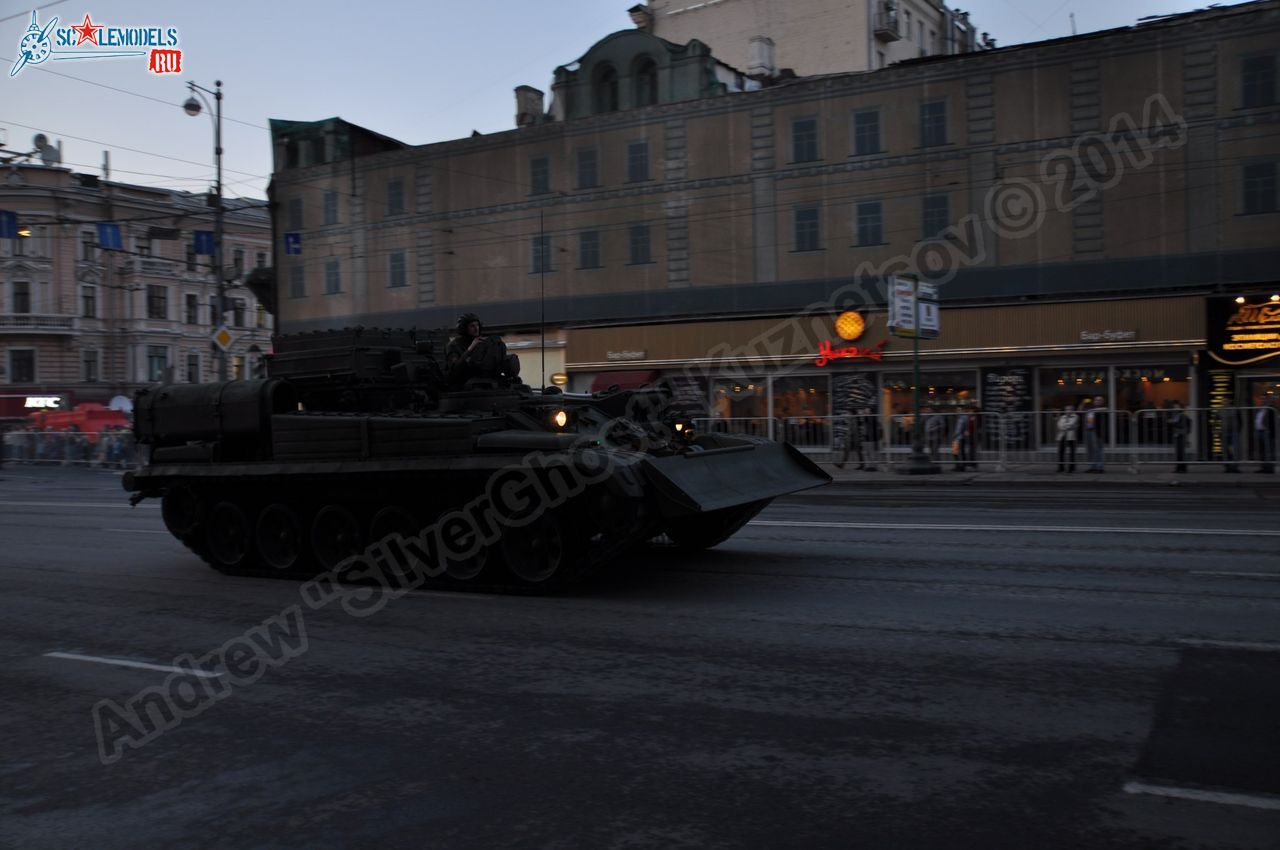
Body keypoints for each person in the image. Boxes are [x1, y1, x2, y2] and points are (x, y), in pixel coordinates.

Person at [445, 312, 520, 388]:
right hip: (463, 383)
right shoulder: (453, 345)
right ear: (464, 328)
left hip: (484, 379)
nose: (476, 328)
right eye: (472, 326)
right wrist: (470, 348)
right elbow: (454, 370)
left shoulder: (482, 343)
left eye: (477, 325)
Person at [1084, 395, 1106, 472]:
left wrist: (1093, 411)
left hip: (1098, 432)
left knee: (1098, 449)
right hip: (1090, 431)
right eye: (1096, 400)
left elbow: (1105, 409)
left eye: (1099, 400)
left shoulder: (1104, 409)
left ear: (1103, 402)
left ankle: (1100, 467)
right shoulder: (1091, 410)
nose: (1097, 401)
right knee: (1092, 450)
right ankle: (1093, 466)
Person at [1167, 401, 1190, 473]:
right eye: (1174, 407)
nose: (1174, 408)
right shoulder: (1177, 415)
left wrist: (1172, 422)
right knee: (1178, 452)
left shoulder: (1182, 415)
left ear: (1180, 408)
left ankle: (1182, 468)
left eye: (1176, 407)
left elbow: (1181, 425)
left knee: (1181, 452)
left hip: (1181, 434)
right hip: (1178, 434)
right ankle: (1179, 467)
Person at [1256, 398, 1277, 474]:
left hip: (1267, 433)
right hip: (1260, 432)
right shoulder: (1260, 410)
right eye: (1262, 400)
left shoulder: (1271, 409)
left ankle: (1270, 468)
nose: (1263, 401)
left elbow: (1273, 422)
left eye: (1265, 400)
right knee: (1262, 451)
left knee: (1269, 451)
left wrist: (1268, 429)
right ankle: (1263, 467)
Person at [953, 405, 977, 471]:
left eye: (959, 410)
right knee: (956, 452)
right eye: (957, 410)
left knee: (958, 452)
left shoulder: (963, 418)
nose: (957, 411)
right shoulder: (959, 417)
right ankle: (959, 466)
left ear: (962, 410)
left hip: (959, 437)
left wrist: (955, 435)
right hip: (958, 437)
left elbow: (961, 428)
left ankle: (961, 466)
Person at [1055, 405, 1079, 473]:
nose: (1068, 411)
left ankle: (1071, 467)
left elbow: (1072, 424)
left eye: (1069, 409)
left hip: (1071, 436)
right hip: (1062, 435)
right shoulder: (1062, 417)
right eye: (1066, 409)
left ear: (1072, 410)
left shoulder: (1075, 416)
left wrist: (1064, 426)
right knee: (1061, 452)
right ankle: (1061, 467)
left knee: (1071, 452)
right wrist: (1065, 426)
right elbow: (1059, 425)